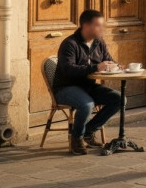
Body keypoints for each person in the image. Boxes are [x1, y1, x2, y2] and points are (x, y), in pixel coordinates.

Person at [52, 10, 123, 155]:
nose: (102, 29)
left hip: (88, 87)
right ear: (86, 26)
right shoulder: (70, 44)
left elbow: (108, 59)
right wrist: (96, 67)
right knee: (87, 104)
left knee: (120, 99)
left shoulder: (99, 42)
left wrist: (117, 66)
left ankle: (88, 131)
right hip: (66, 88)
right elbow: (68, 69)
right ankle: (76, 138)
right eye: (98, 26)